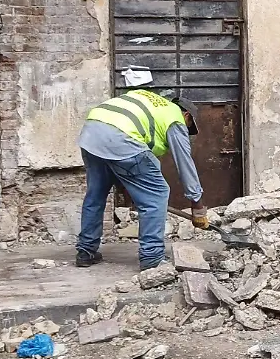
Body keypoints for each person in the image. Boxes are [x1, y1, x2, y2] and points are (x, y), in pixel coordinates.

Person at [76, 88, 209, 270]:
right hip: (121, 137)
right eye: (189, 127)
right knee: (157, 194)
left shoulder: (148, 99)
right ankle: (152, 257)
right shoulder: (175, 119)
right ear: (186, 115)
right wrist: (197, 203)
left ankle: (86, 251)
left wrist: (129, 184)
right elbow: (184, 163)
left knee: (96, 194)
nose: (186, 131)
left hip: (92, 131)